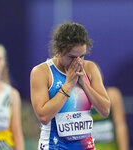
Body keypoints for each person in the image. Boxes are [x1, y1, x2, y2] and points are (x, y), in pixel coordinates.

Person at [30, 22, 111, 150]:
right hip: (54, 146)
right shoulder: (42, 72)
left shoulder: (90, 68)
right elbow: (44, 117)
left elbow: (105, 110)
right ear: (57, 49)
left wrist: (84, 84)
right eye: (72, 57)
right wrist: (68, 84)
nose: (78, 62)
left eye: (82, 56)